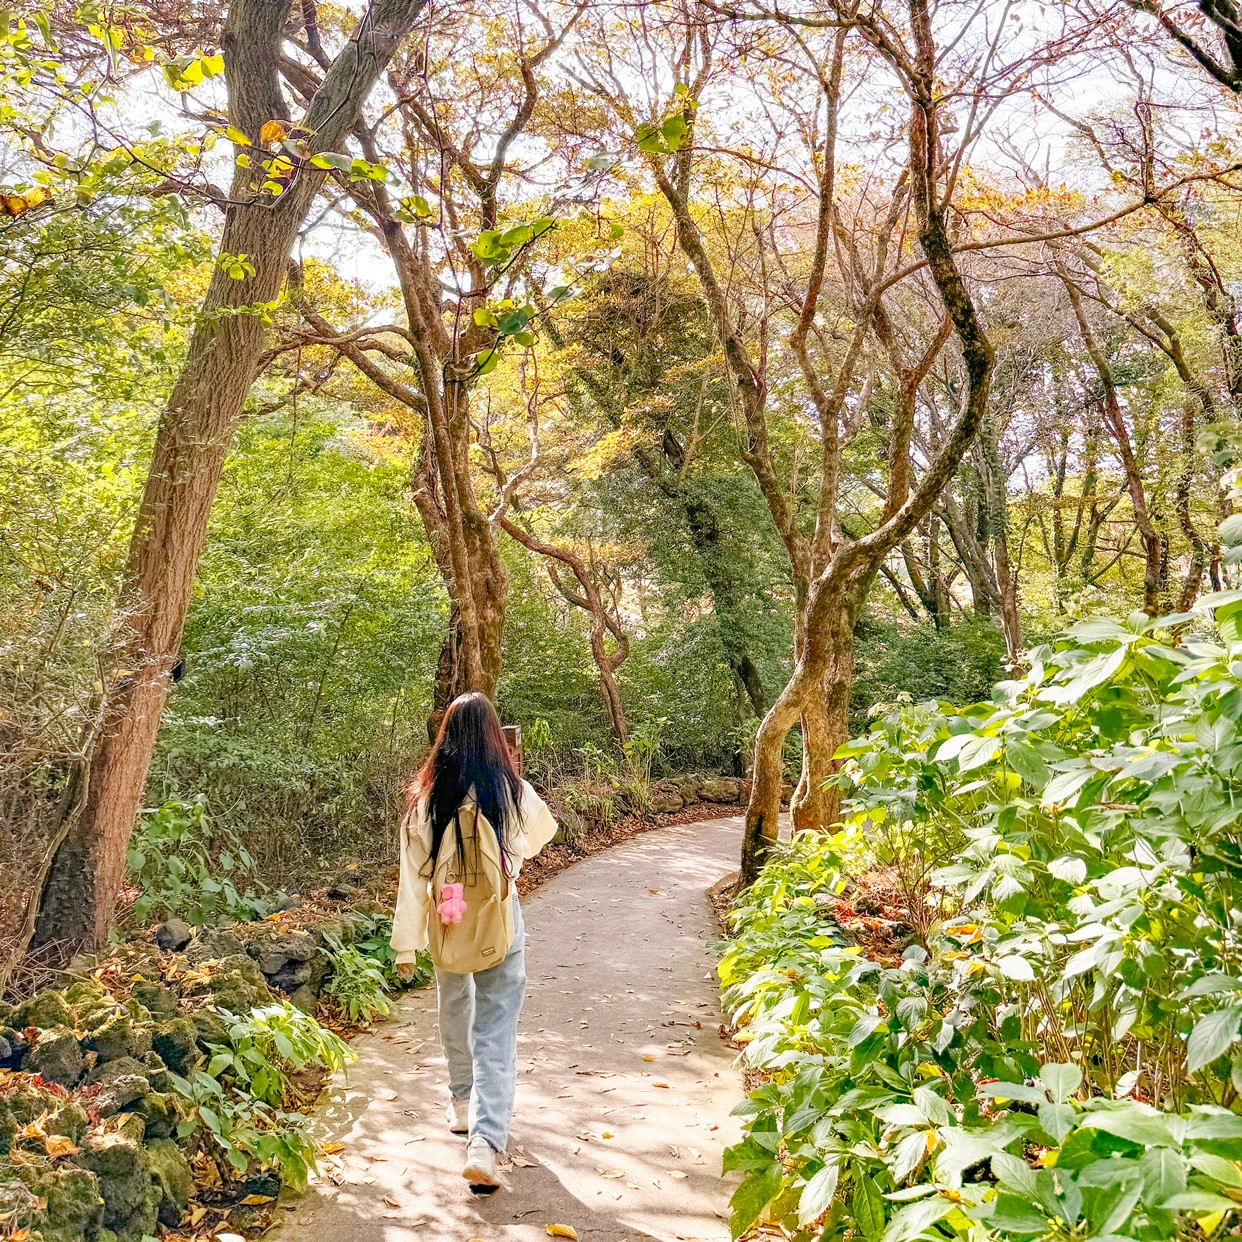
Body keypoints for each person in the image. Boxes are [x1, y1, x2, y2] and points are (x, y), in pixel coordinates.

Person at [391, 692, 557, 1191]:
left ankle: (462, 1105)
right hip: (498, 919)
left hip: (447, 917)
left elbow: (411, 879)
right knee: (495, 1029)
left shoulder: (427, 798)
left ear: (445, 736)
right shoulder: (510, 790)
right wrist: (512, 856)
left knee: (454, 1008)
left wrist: (406, 946)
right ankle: (485, 1142)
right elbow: (544, 831)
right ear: (493, 737)